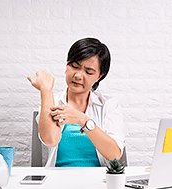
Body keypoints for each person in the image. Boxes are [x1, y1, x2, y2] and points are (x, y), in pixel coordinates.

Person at [27, 38, 124, 167]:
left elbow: (114, 155)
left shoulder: (109, 105)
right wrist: (46, 90)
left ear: (99, 76)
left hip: (98, 182)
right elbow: (50, 140)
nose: (78, 75)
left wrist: (83, 120)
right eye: (74, 66)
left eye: (88, 72)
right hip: (58, 182)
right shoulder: (53, 102)